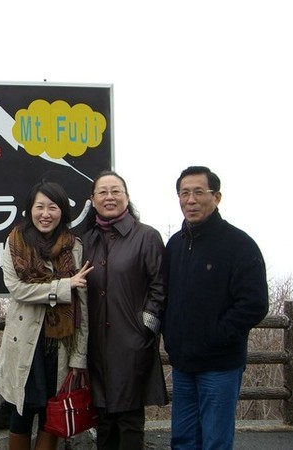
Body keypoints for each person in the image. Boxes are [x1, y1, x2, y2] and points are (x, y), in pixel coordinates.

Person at [162, 165, 269, 450]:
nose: (190, 200)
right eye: (184, 193)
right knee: (183, 440)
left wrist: (215, 336)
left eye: (199, 192)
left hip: (219, 365)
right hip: (184, 364)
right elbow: (165, 296)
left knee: (215, 442)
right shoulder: (175, 244)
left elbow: (254, 304)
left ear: (217, 197)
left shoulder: (239, 244)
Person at [0, 180, 92, 450]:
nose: (45, 213)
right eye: (39, 206)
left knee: (53, 413)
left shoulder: (74, 247)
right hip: (25, 342)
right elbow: (17, 289)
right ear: (30, 209)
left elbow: (81, 305)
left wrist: (79, 358)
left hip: (60, 344)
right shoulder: (15, 242)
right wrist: (63, 287)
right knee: (21, 412)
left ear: (63, 211)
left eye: (53, 207)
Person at [82, 170, 168, 450]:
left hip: (131, 341)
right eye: (103, 192)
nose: (109, 197)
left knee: (130, 419)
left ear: (127, 197)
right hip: (95, 343)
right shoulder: (87, 241)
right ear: (93, 200)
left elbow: (160, 287)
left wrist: (145, 328)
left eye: (116, 191)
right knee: (103, 418)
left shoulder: (146, 236)